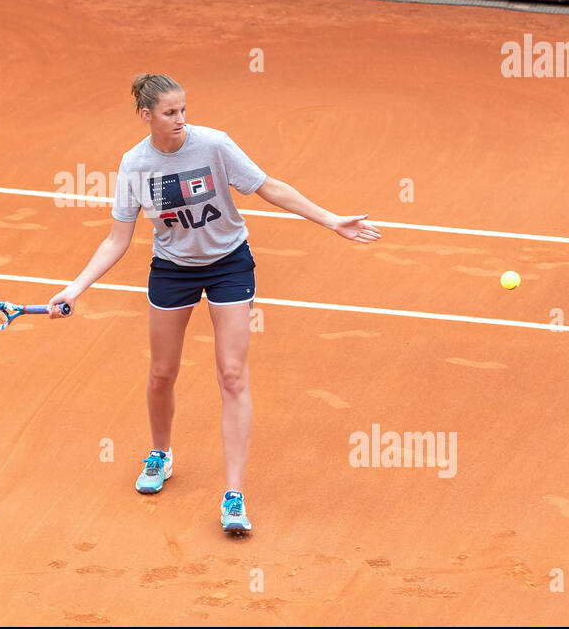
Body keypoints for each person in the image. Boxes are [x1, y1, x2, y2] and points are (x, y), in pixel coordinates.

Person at [48, 73, 381, 533]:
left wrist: (330, 220)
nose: (181, 120)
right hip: (171, 268)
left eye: (183, 110)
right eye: (170, 113)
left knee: (232, 374)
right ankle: (161, 454)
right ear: (147, 116)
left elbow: (268, 186)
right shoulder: (135, 164)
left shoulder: (214, 145)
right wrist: (75, 288)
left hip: (228, 264)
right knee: (162, 372)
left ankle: (233, 495)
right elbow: (116, 239)